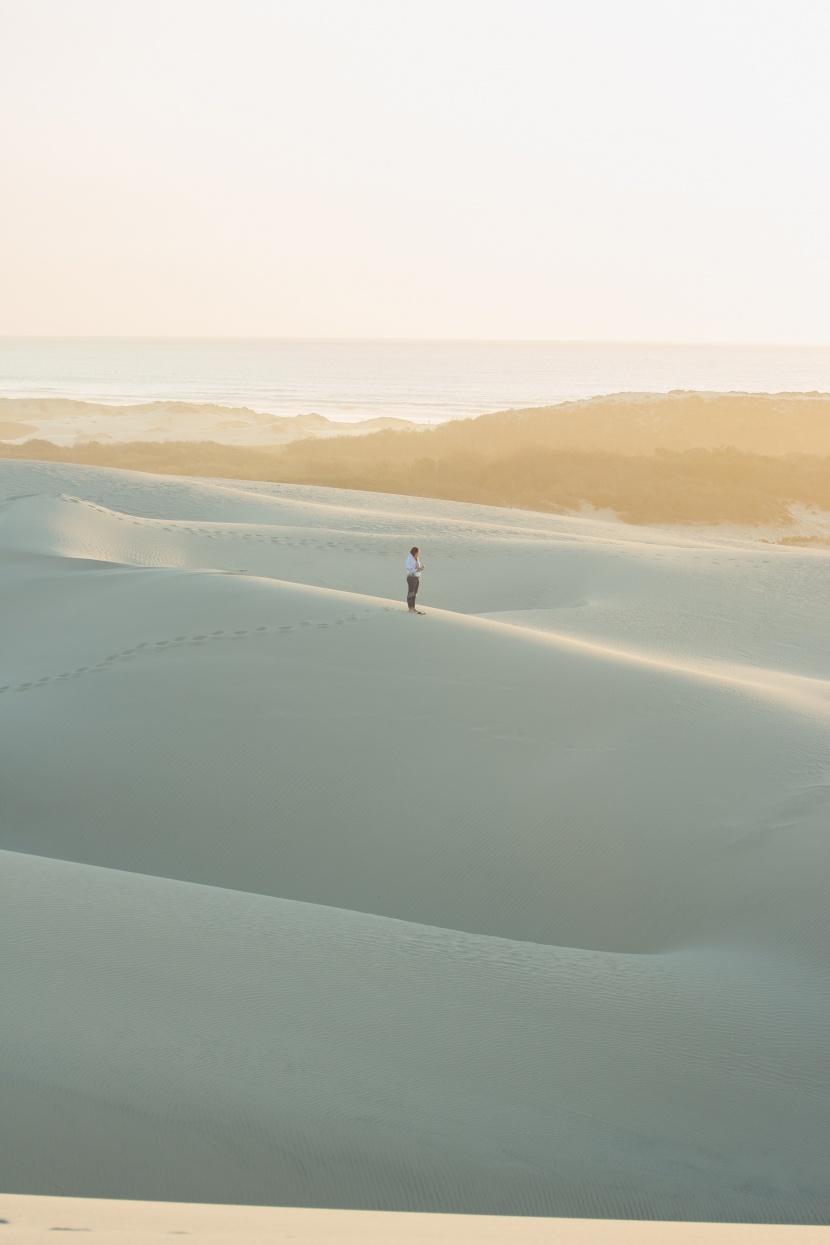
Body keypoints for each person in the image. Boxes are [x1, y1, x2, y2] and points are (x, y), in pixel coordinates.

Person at [405, 546, 425, 613]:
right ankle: (410, 608)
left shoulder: (416, 559)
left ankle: (413, 607)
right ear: (415, 552)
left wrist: (420, 569)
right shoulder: (409, 559)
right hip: (411, 577)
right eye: (418, 552)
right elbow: (410, 570)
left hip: (416, 577)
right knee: (411, 593)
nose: (419, 553)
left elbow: (416, 568)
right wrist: (418, 569)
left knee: (415, 593)